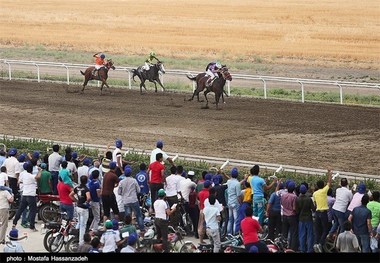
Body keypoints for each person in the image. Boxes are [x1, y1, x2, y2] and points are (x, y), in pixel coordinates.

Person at [12, 163, 41, 231]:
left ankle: (14, 222)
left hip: (24, 195)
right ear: (31, 169)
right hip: (31, 196)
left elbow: (20, 181)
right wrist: (40, 170)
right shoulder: (31, 176)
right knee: (32, 211)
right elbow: (38, 177)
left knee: (20, 209)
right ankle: (32, 226)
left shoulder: (24, 175)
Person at [118, 166, 145, 233]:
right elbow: (138, 190)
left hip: (126, 201)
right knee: (138, 215)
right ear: (130, 173)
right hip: (134, 200)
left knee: (127, 216)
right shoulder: (134, 180)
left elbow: (119, 192)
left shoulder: (121, 182)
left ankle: (128, 230)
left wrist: (124, 194)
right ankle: (142, 229)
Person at [312, 168, 332, 253]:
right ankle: (320, 243)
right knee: (325, 229)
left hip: (317, 212)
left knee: (317, 230)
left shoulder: (315, 193)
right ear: (323, 185)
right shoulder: (324, 191)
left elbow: (315, 203)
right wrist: (329, 173)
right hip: (323, 213)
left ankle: (316, 244)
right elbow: (329, 182)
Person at [153, 189, 177, 253]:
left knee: (159, 236)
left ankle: (158, 249)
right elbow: (168, 213)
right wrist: (174, 210)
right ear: (164, 195)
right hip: (163, 221)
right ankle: (166, 250)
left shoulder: (155, 202)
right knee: (164, 237)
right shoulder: (164, 203)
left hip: (156, 220)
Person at [70, 175, 91, 246]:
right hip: (83, 209)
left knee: (79, 222)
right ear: (86, 181)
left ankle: (74, 236)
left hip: (78, 207)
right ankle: (81, 242)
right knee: (83, 225)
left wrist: (77, 201)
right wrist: (86, 202)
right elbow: (88, 198)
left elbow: (70, 195)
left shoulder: (77, 188)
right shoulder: (86, 189)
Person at [296, 184, 315, 253]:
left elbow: (297, 211)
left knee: (302, 234)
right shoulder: (309, 199)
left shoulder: (297, 199)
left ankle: (302, 248)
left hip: (301, 219)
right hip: (308, 218)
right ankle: (309, 249)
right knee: (310, 235)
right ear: (306, 190)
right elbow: (313, 208)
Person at [226, 167, 241, 235]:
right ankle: (235, 234)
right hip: (235, 203)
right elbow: (238, 196)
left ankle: (229, 233)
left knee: (230, 219)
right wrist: (240, 203)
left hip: (229, 202)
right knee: (236, 220)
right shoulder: (237, 184)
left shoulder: (229, 182)